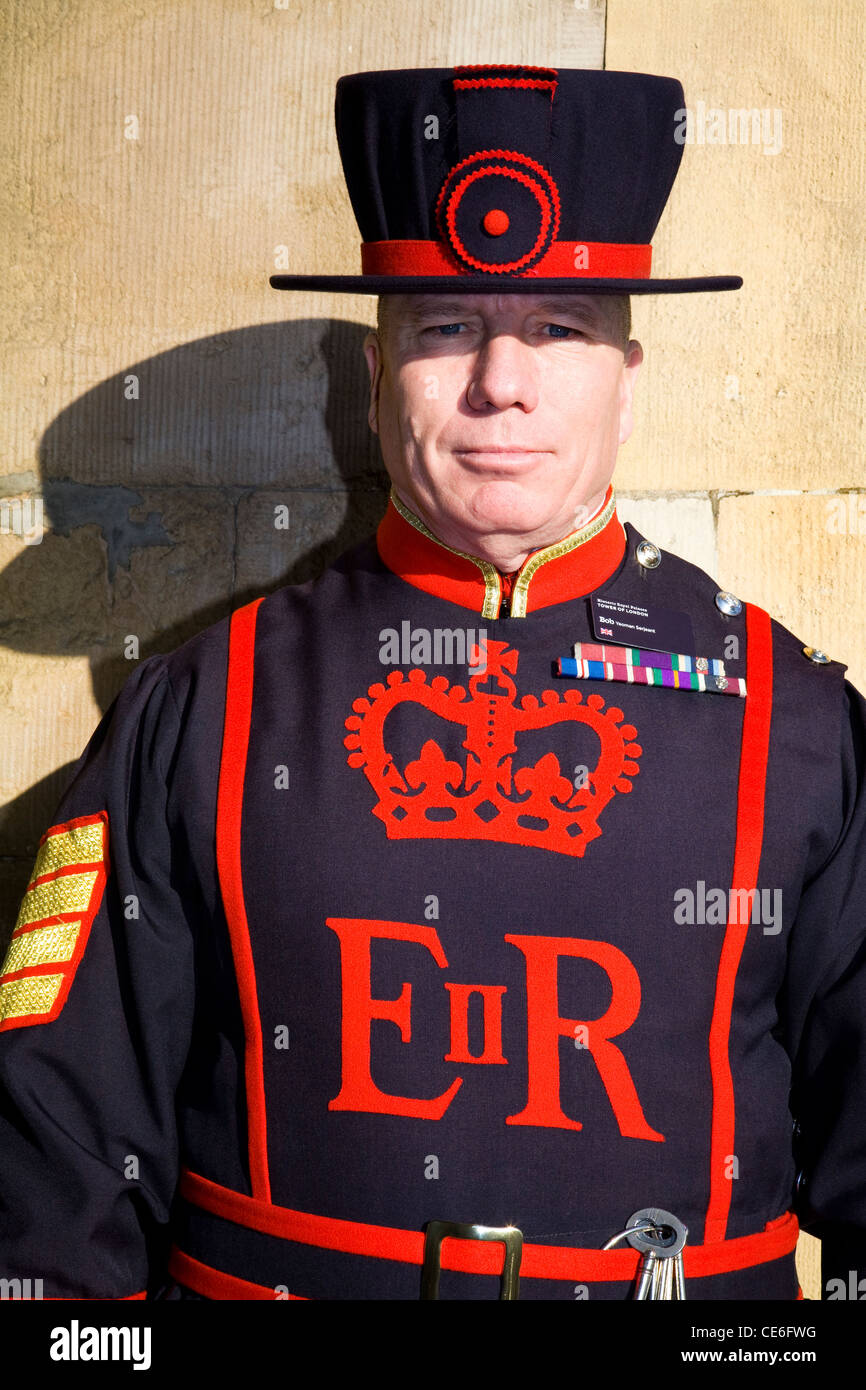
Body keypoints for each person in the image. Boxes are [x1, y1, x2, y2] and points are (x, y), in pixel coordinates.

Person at [1, 64, 864, 1302]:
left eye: (557, 328)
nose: (498, 383)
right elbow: (52, 1180)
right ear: (375, 379)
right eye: (446, 325)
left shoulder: (799, 727)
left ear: (630, 374)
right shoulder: (205, 708)